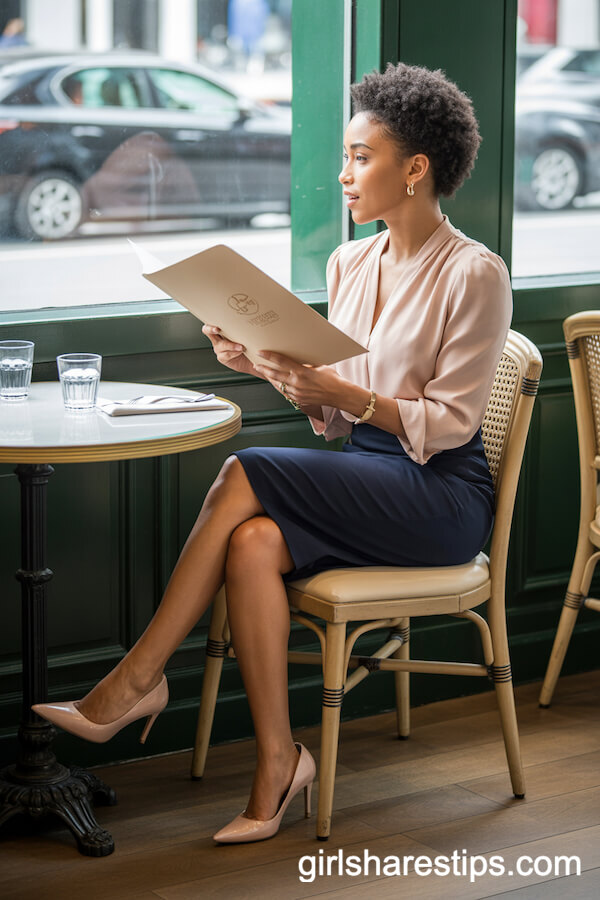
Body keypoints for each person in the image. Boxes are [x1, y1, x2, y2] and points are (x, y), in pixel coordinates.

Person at [33, 62, 512, 844]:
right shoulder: (350, 263)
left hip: (440, 497)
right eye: (346, 156)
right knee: (253, 543)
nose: (344, 173)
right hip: (368, 470)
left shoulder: (475, 274)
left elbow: (452, 425)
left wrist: (340, 391)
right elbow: (333, 416)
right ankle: (279, 764)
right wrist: (260, 363)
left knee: (243, 468)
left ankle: (135, 680)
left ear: (416, 168)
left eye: (361, 157)